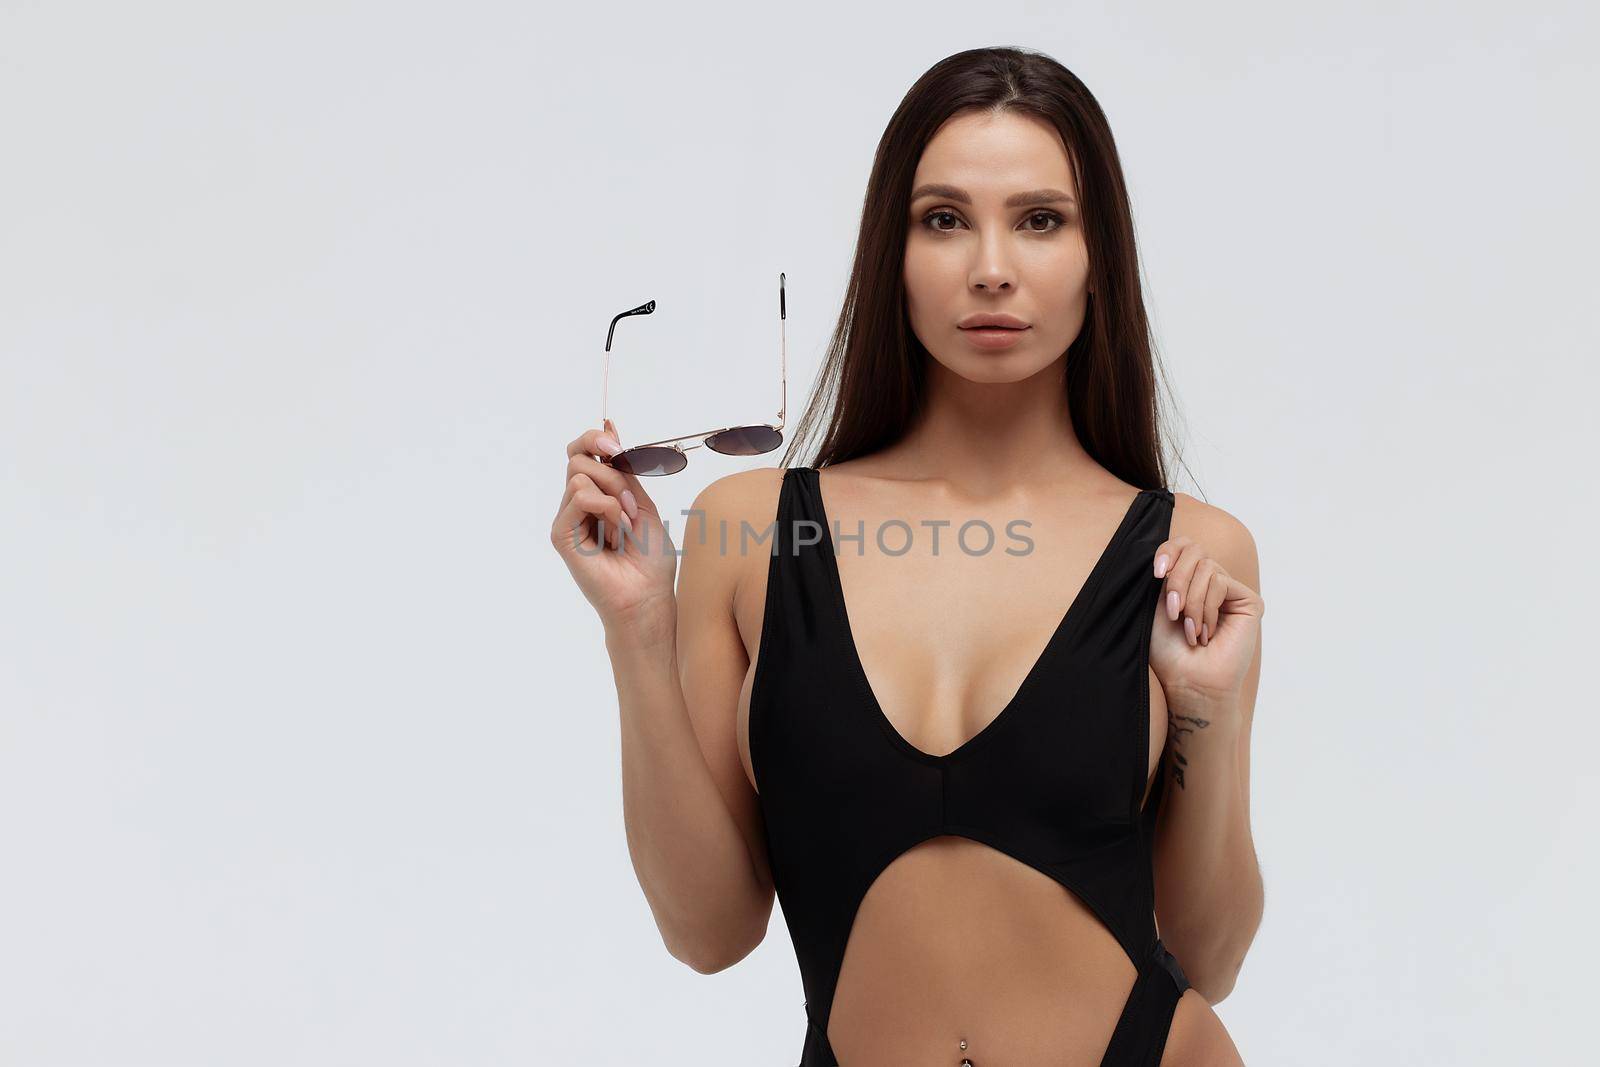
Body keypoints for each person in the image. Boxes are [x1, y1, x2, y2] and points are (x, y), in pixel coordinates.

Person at [553, 46, 1263, 1066]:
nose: (989, 265)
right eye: (943, 218)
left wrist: (1210, 706)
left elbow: (1210, 950)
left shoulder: (1187, 545)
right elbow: (708, 932)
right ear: (892, 250)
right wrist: (636, 624)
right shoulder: (752, 530)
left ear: (1098, 254)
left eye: (1039, 218)